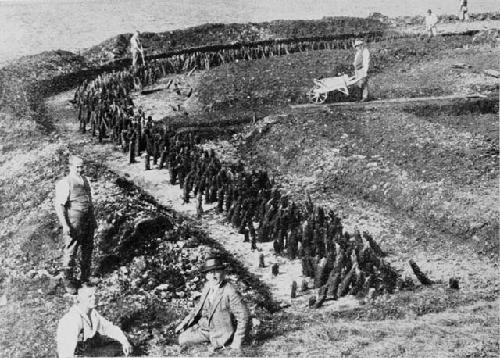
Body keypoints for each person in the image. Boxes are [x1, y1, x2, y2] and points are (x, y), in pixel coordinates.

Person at [175, 256, 249, 353]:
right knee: (181, 339)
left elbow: (243, 317)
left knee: (187, 343)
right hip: (204, 328)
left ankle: (215, 344)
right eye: (210, 272)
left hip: (220, 332)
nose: (213, 276)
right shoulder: (208, 286)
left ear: (223, 273)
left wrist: (237, 341)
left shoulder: (230, 291)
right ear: (206, 275)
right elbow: (198, 308)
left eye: (216, 271)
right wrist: (184, 324)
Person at [54, 155, 97, 294]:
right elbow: (59, 206)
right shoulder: (65, 183)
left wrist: (92, 219)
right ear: (70, 166)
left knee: (87, 249)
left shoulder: (85, 180)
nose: (80, 169)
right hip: (74, 221)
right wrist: (65, 225)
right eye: (77, 167)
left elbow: (88, 200)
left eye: (81, 166)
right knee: (71, 250)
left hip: (87, 220)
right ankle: (69, 282)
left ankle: (85, 278)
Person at [56, 283, 132, 358]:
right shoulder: (71, 319)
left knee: (120, 347)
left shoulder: (93, 314)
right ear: (78, 298)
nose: (94, 298)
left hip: (88, 351)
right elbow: (66, 351)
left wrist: (124, 341)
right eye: (89, 296)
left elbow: (108, 328)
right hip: (75, 354)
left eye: (95, 295)